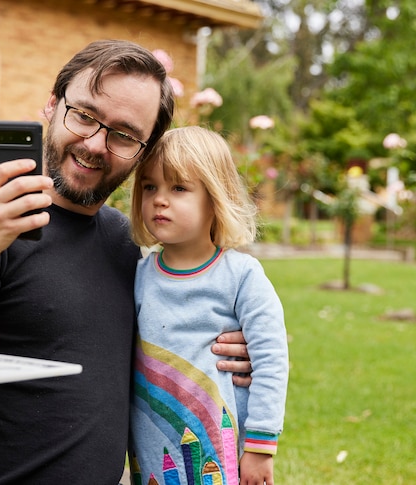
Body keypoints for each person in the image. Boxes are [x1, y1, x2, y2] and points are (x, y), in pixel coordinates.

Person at [0, 39, 252, 484]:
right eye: (85, 116)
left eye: (124, 134)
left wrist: (230, 346)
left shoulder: (125, 243)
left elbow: (159, 339)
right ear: (52, 105)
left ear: (143, 151)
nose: (95, 144)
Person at [127, 126, 289, 485]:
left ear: (215, 198)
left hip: (221, 458)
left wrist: (262, 446)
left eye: (179, 188)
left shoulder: (241, 276)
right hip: (152, 456)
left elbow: (271, 358)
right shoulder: (138, 275)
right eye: (150, 186)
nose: (159, 199)